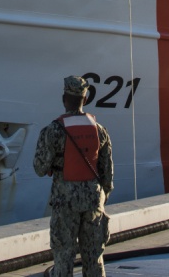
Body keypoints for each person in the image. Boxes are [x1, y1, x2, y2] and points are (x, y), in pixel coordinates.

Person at [33, 76, 113, 277]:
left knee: (63, 259)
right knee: (94, 258)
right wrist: (100, 198)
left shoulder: (53, 131)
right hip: (94, 201)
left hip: (64, 202)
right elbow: (107, 175)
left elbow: (39, 168)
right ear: (85, 100)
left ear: (64, 98)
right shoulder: (100, 130)